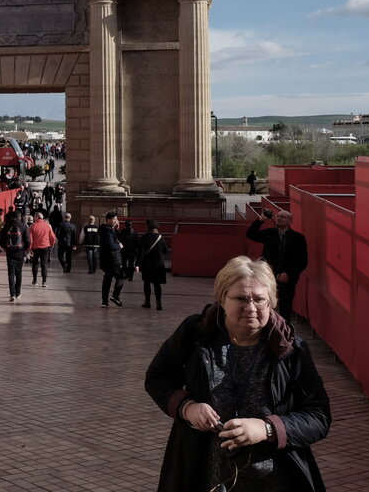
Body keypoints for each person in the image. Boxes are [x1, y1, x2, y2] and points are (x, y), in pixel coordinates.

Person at [144, 256, 331, 492]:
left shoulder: (291, 349)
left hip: (274, 483)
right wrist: (187, 407)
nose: (251, 308)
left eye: (260, 300)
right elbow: (157, 377)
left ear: (272, 302)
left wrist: (267, 429)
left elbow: (319, 416)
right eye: (241, 298)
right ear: (222, 299)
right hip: (203, 477)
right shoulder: (195, 334)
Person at [246, 209, 308, 322]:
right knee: (264, 303)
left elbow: (302, 261)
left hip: (287, 279)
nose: (279, 218)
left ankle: (284, 329)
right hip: (268, 275)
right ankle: (265, 326)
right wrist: (261, 220)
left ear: (290, 221)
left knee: (285, 307)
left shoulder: (298, 238)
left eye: (283, 217)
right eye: (278, 216)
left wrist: (288, 273)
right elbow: (250, 234)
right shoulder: (270, 233)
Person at [0, 211, 30, 302]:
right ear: (20, 217)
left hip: (10, 253)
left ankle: (12, 294)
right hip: (20, 253)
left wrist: (6, 248)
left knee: (11, 273)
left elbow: (1, 240)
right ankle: (18, 293)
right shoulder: (23, 227)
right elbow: (28, 241)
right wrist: (23, 249)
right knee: (19, 273)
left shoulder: (7, 226)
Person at [138, 220, 168, 310]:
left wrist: (137, 264)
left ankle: (147, 302)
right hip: (158, 264)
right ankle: (159, 303)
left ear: (148, 226)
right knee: (157, 284)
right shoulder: (161, 237)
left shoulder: (144, 237)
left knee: (146, 283)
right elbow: (166, 251)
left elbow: (141, 252)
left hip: (147, 264)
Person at [98, 212, 125, 307]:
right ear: (108, 219)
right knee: (121, 277)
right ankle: (115, 296)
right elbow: (111, 245)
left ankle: (104, 302)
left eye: (116, 219)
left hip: (106, 260)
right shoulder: (107, 231)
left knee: (107, 280)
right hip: (113, 259)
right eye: (114, 219)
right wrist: (119, 246)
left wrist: (116, 230)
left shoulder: (107, 230)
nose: (116, 221)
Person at [28, 212, 55, 288]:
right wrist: (51, 245)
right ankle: (44, 281)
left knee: (35, 264)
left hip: (36, 248)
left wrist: (30, 248)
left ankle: (35, 280)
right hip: (45, 247)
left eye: (34, 217)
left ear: (36, 217)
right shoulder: (47, 226)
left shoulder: (33, 226)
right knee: (44, 264)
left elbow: (30, 239)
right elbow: (53, 237)